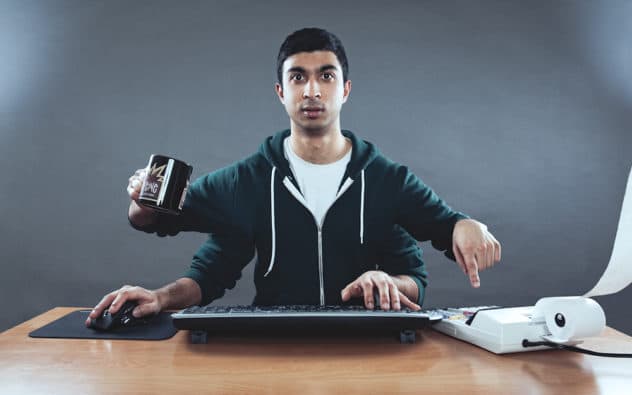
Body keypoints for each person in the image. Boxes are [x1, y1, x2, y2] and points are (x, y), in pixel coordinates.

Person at [86, 28, 501, 326]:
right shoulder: (246, 181)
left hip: (371, 347)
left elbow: (427, 264)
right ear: (281, 92)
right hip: (275, 344)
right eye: (298, 77)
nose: (312, 91)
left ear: (346, 89)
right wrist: (156, 287)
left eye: (326, 75)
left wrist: (461, 229)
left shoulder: (387, 180)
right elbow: (179, 244)